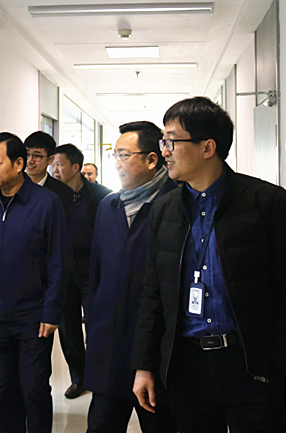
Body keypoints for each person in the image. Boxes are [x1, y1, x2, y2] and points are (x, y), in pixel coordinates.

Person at [131, 97, 286, 432]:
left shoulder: (266, 202)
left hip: (250, 364)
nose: (165, 151)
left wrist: (278, 364)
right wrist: (144, 366)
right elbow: (152, 293)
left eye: (171, 141)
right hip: (188, 365)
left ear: (207, 147)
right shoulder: (163, 209)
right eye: (163, 141)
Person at [0, 132, 68, 433]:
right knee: (5, 390)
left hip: (33, 316)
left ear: (19, 164)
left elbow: (58, 262)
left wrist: (52, 311)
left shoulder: (47, 203)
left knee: (34, 387)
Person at [84, 121, 177, 432]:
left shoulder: (178, 204)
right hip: (109, 348)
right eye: (115, 155)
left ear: (151, 159)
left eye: (124, 155)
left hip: (157, 353)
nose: (116, 163)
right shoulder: (108, 206)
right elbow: (96, 276)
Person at [53, 144, 111, 399]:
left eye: (59, 165)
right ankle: (79, 378)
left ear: (75, 167)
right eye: (53, 165)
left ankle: (99, 375)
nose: (55, 170)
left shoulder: (101, 196)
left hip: (91, 266)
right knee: (68, 327)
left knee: (97, 323)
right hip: (63, 267)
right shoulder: (50, 196)